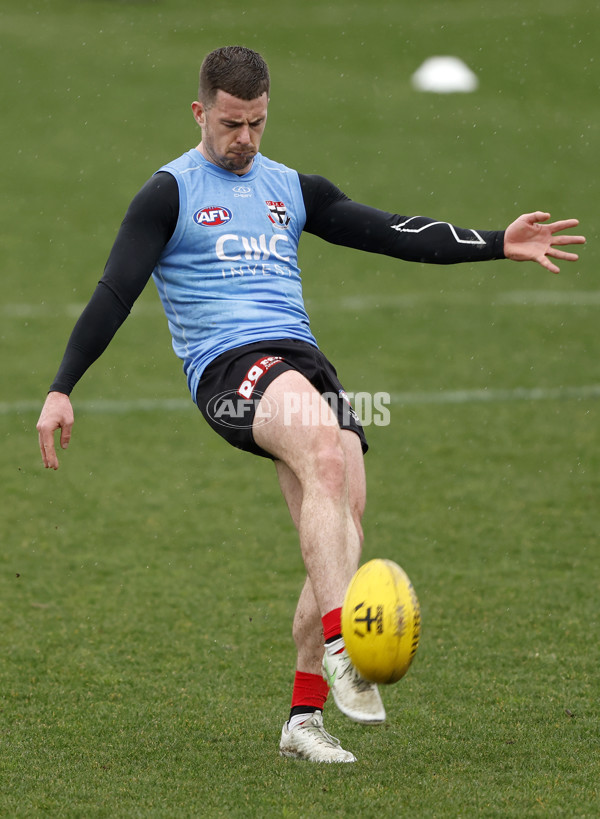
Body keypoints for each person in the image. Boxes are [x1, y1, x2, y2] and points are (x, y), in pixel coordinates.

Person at [36, 46, 585, 763]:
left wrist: (494, 244)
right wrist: (61, 386)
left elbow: (389, 230)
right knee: (325, 454)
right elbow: (114, 292)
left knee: (341, 520)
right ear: (201, 113)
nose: (245, 139)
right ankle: (343, 642)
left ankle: (303, 719)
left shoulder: (291, 188)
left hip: (304, 361)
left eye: (257, 123)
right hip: (229, 369)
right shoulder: (167, 193)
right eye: (232, 124)